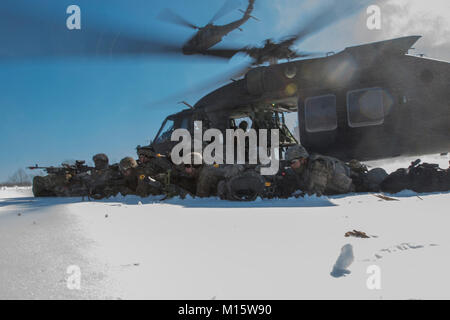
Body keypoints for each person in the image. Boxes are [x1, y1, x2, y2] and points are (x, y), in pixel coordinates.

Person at [285, 144, 354, 196]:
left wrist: (292, 196)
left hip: (353, 182)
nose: (291, 165)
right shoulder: (299, 169)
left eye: (293, 162)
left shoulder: (318, 165)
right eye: (288, 163)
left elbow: (315, 192)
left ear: (302, 160)